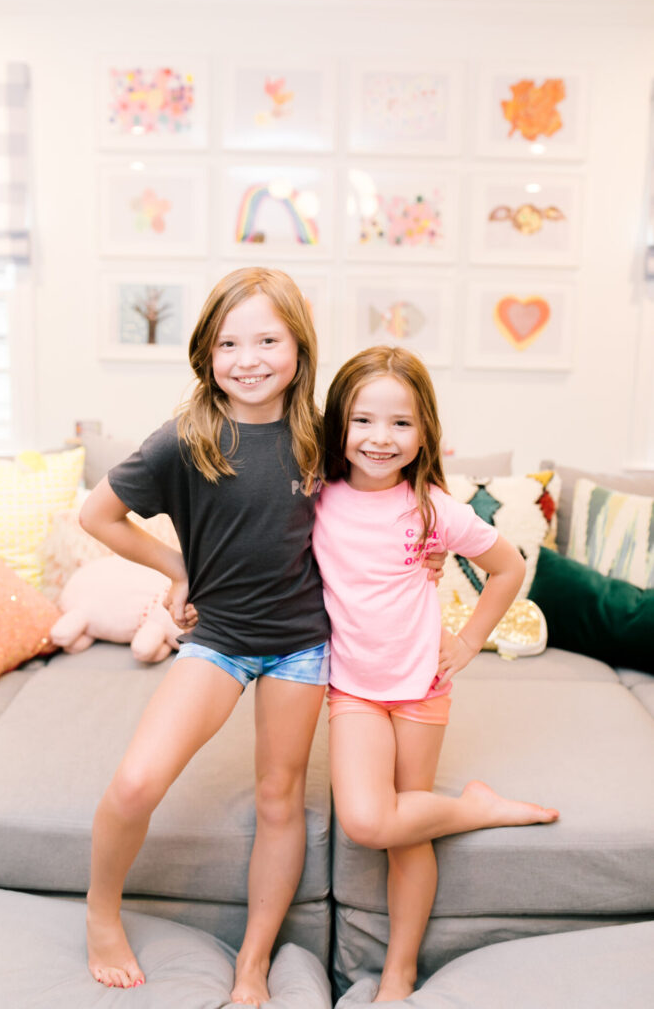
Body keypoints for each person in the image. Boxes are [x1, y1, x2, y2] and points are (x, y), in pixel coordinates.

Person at [79, 269, 444, 1003]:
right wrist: (176, 566)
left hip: (304, 644)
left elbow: (389, 490)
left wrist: (426, 550)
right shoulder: (184, 438)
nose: (248, 358)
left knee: (279, 798)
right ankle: (100, 915)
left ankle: (252, 961)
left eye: (267, 340)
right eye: (228, 342)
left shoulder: (322, 436)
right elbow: (98, 516)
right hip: (217, 636)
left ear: (298, 347)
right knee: (137, 780)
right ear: (204, 353)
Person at [312, 346, 560, 1003]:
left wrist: (471, 639)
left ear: (424, 432)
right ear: (337, 422)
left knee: (403, 834)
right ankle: (472, 809)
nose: (379, 438)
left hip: (422, 687)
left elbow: (507, 568)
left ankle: (399, 972)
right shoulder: (313, 499)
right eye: (362, 420)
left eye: (400, 423)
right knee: (370, 820)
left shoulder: (433, 509)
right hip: (354, 689)